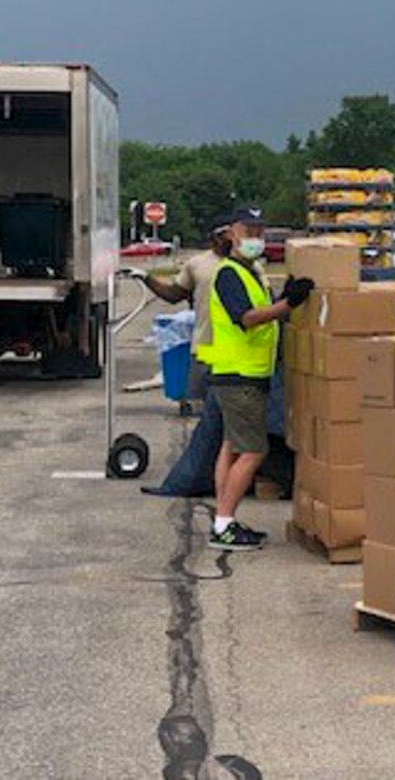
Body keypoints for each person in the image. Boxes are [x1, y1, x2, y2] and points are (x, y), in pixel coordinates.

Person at [207, 207, 313, 550]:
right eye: (247, 230)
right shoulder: (228, 275)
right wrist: (288, 306)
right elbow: (248, 318)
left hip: (243, 374)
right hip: (240, 375)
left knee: (231, 446)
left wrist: (283, 298)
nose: (254, 237)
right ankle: (223, 524)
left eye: (258, 231)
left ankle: (224, 519)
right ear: (230, 233)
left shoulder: (251, 272)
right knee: (253, 450)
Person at [129, 217, 234, 401]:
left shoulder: (251, 265)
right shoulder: (197, 264)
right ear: (216, 237)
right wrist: (146, 278)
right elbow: (174, 294)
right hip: (206, 345)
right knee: (199, 404)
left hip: (239, 349)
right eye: (229, 234)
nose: (235, 238)